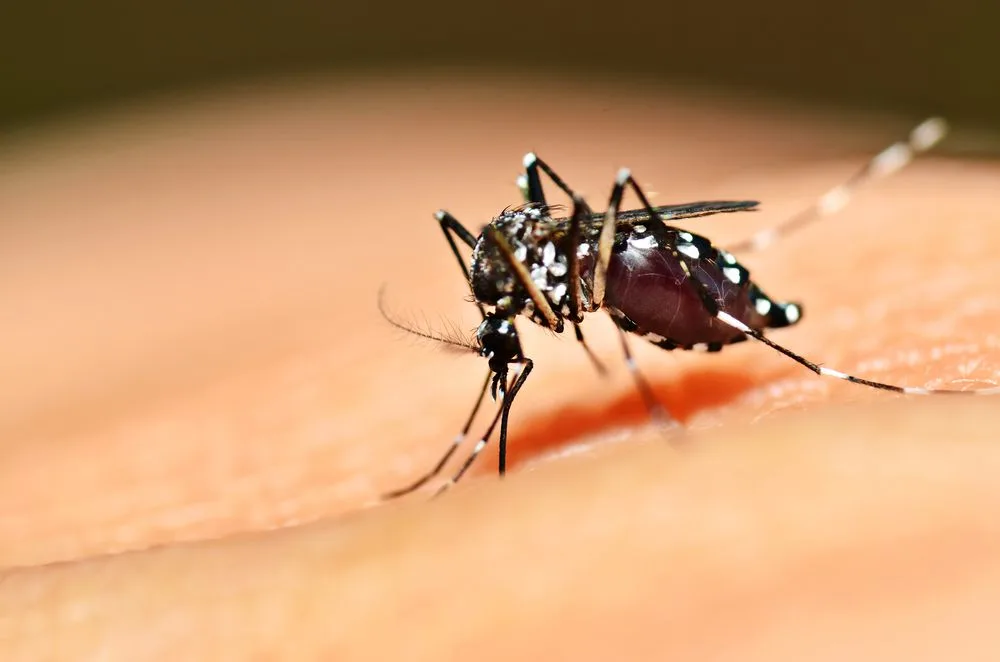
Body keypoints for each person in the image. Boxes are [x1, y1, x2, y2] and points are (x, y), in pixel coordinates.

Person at [1, 76, 999, 659]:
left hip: (638, 265)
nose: (501, 361)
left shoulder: (525, 272)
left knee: (597, 211)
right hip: (600, 268)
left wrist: (610, 330)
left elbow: (557, 231)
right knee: (550, 228)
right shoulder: (501, 283)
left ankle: (763, 337)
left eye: (498, 358)